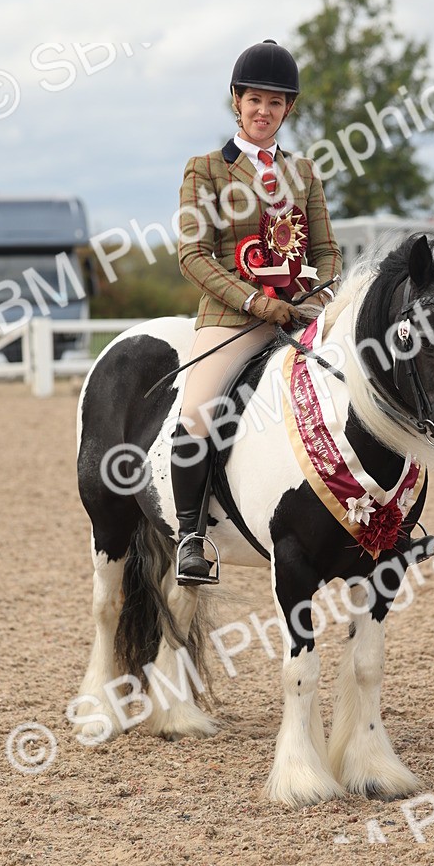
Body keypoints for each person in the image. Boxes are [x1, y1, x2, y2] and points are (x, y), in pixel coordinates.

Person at [173, 39, 342, 585]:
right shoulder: (206, 171)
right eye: (254, 101)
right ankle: (191, 536)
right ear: (236, 103)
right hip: (233, 319)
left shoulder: (306, 173)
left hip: (301, 316)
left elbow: (326, 252)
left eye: (275, 103)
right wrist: (255, 301)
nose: (263, 111)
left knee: (364, 382)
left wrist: (315, 298)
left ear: (287, 109)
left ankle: (383, 520)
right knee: (197, 414)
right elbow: (193, 255)